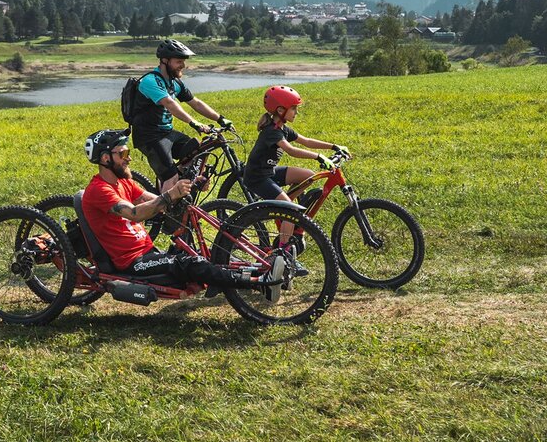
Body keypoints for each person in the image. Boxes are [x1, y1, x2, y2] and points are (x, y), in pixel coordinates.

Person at [81, 128, 285, 302]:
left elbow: (156, 201)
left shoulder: (124, 182)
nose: (129, 158)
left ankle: (261, 272)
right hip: (132, 262)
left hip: (149, 252)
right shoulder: (99, 190)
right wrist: (171, 194)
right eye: (123, 154)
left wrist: (190, 186)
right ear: (105, 158)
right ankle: (259, 283)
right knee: (191, 264)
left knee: (194, 258)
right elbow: (134, 213)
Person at [243, 85, 351, 256]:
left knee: (310, 176)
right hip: (257, 178)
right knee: (291, 210)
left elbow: (306, 141)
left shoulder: (283, 128)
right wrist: (319, 157)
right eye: (293, 109)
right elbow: (292, 151)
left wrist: (334, 146)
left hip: (269, 172)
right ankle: (283, 250)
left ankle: (285, 205)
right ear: (280, 109)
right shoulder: (272, 131)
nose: (296, 113)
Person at [131, 39, 233, 192]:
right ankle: (163, 212)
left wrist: (220, 118)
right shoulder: (150, 81)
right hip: (149, 136)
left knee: (198, 150)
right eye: (179, 61)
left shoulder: (174, 82)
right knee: (170, 176)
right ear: (165, 61)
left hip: (166, 133)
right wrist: (194, 123)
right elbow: (170, 104)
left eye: (183, 61)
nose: (183, 65)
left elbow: (195, 102)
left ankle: (181, 189)